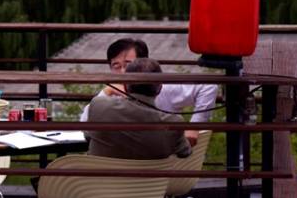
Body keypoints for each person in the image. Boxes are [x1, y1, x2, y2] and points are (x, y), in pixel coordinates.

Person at [52, 58, 191, 198]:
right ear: (160, 88)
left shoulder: (100, 108)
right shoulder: (173, 124)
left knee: (64, 193)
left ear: (125, 85)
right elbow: (185, 152)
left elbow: (88, 135)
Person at [79, 37, 219, 146]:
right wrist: (107, 91)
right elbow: (84, 123)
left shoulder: (162, 87)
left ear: (143, 64)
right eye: (116, 66)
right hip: (123, 160)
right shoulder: (110, 93)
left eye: (128, 65)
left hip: (161, 160)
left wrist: (195, 126)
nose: (122, 72)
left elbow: (208, 86)